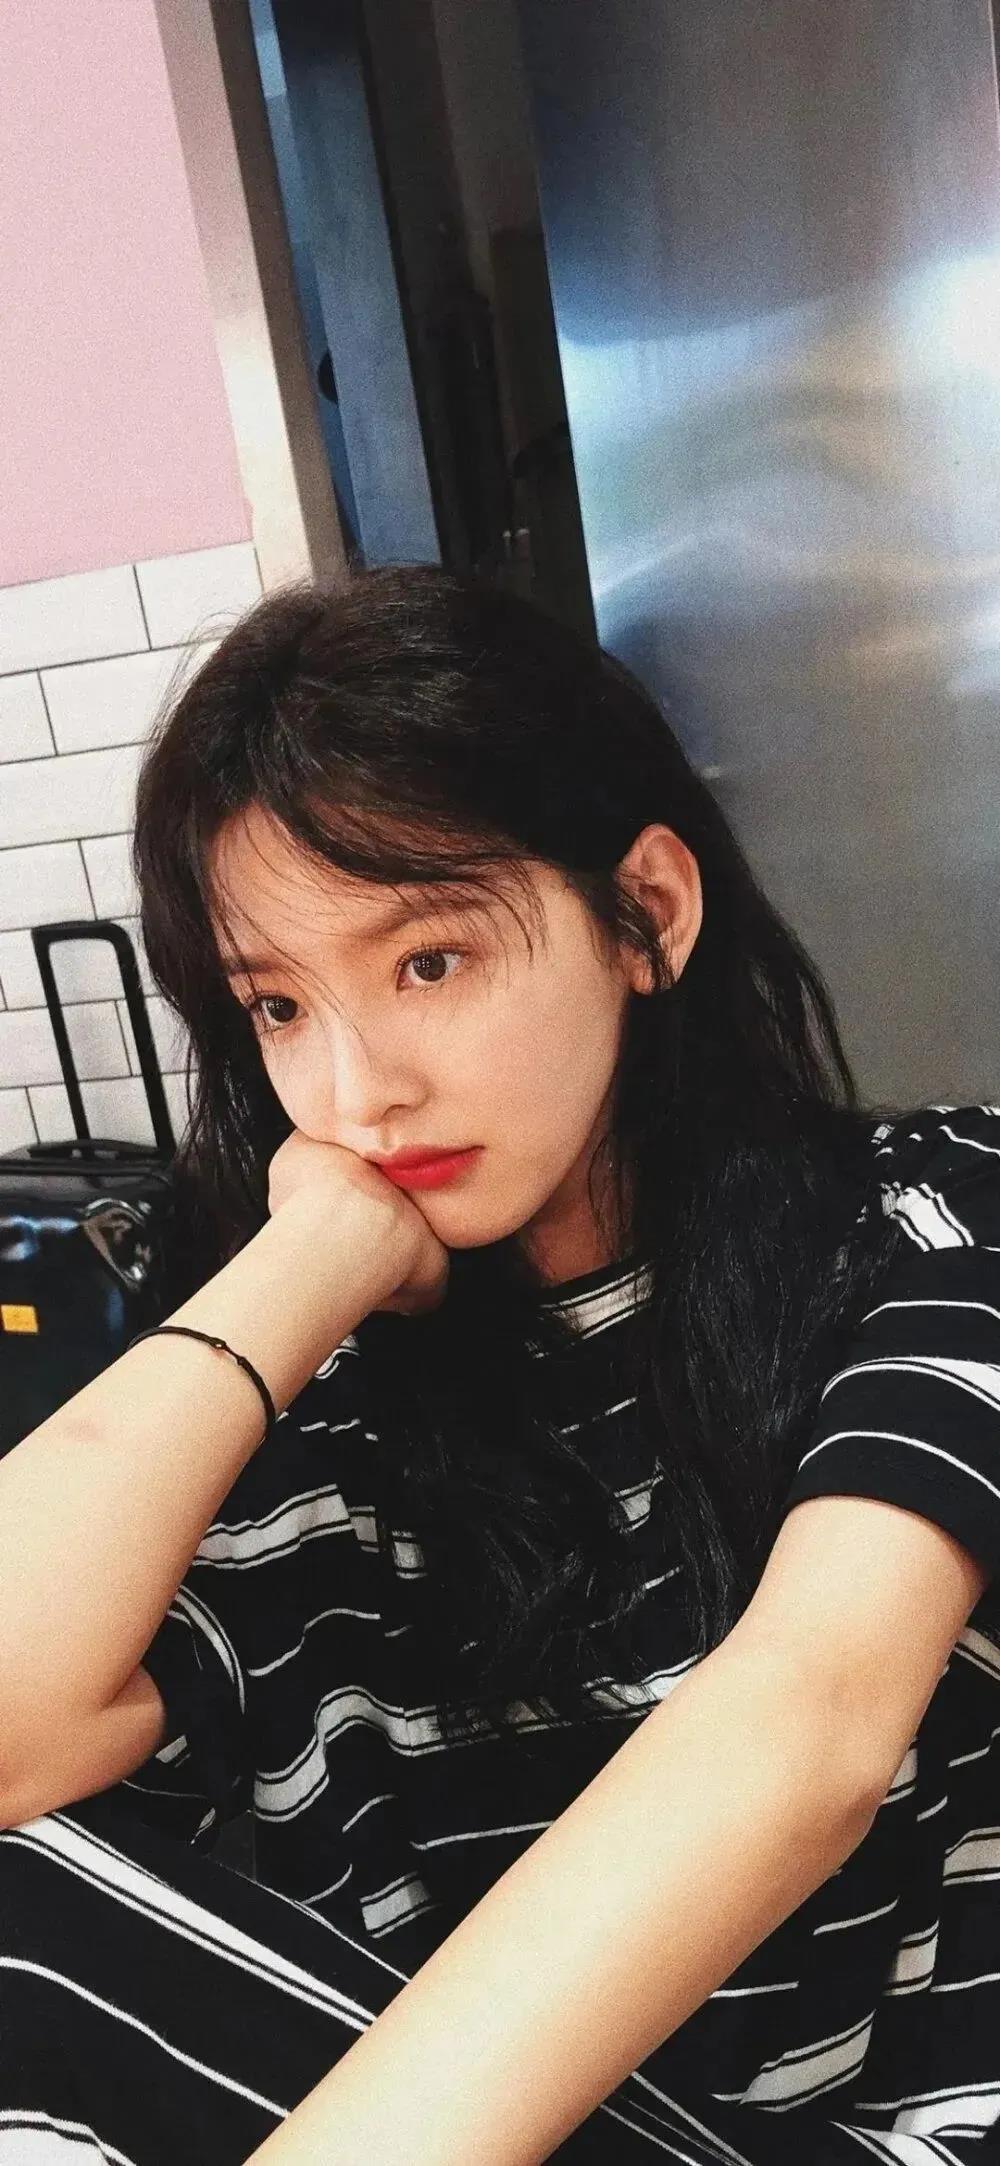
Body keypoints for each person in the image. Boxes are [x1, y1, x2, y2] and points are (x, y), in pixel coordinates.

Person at [1, 565, 999, 2166]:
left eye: (429, 962)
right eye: (277, 1005)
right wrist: (306, 1263)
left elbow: (808, 1719)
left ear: (645, 913)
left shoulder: (934, 1218)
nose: (357, 1089)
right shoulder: (317, 1392)